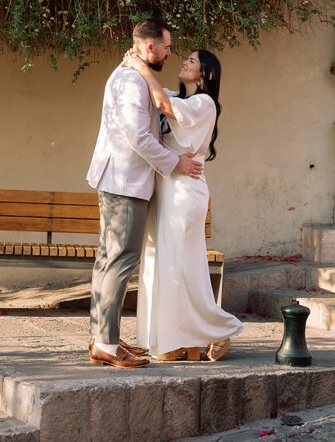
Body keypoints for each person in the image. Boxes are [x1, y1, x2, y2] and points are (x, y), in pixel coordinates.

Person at [86, 18, 203, 369]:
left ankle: (101, 337)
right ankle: (106, 344)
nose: (170, 52)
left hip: (122, 181)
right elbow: (139, 138)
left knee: (108, 259)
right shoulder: (129, 81)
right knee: (121, 260)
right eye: (167, 47)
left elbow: (165, 101)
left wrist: (140, 66)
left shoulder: (134, 75)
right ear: (149, 46)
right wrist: (174, 163)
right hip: (125, 182)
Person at [123, 47, 243, 361]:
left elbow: (161, 102)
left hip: (185, 192)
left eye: (191, 61)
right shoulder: (178, 95)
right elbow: (152, 94)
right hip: (165, 188)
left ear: (204, 73)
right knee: (160, 263)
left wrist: (140, 65)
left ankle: (220, 329)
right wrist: (134, 61)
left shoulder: (204, 103)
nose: (184, 62)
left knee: (180, 264)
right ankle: (171, 339)